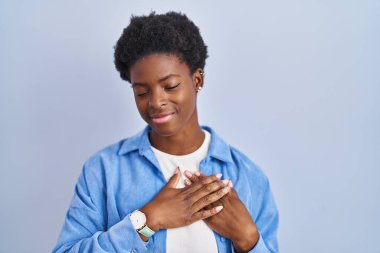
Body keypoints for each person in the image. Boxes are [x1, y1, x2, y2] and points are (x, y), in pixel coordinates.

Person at [52, 11, 278, 253]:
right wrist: (147, 221)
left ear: (198, 80)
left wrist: (248, 239)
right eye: (141, 92)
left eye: (170, 86)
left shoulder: (248, 177)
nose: (155, 102)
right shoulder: (104, 171)